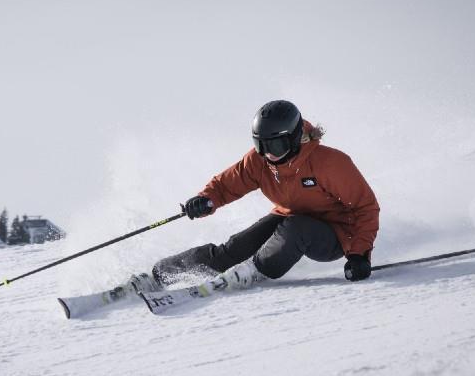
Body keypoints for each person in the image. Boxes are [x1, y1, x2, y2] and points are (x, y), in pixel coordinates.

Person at [144, 100, 380, 292]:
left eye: (275, 146)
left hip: (335, 234)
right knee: (234, 249)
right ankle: (161, 274)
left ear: (294, 138)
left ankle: (251, 272)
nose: (268, 154)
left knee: (297, 227)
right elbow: (227, 185)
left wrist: (359, 255)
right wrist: (205, 200)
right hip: (288, 219)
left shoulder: (330, 163)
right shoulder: (260, 162)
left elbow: (365, 208)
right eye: (261, 145)